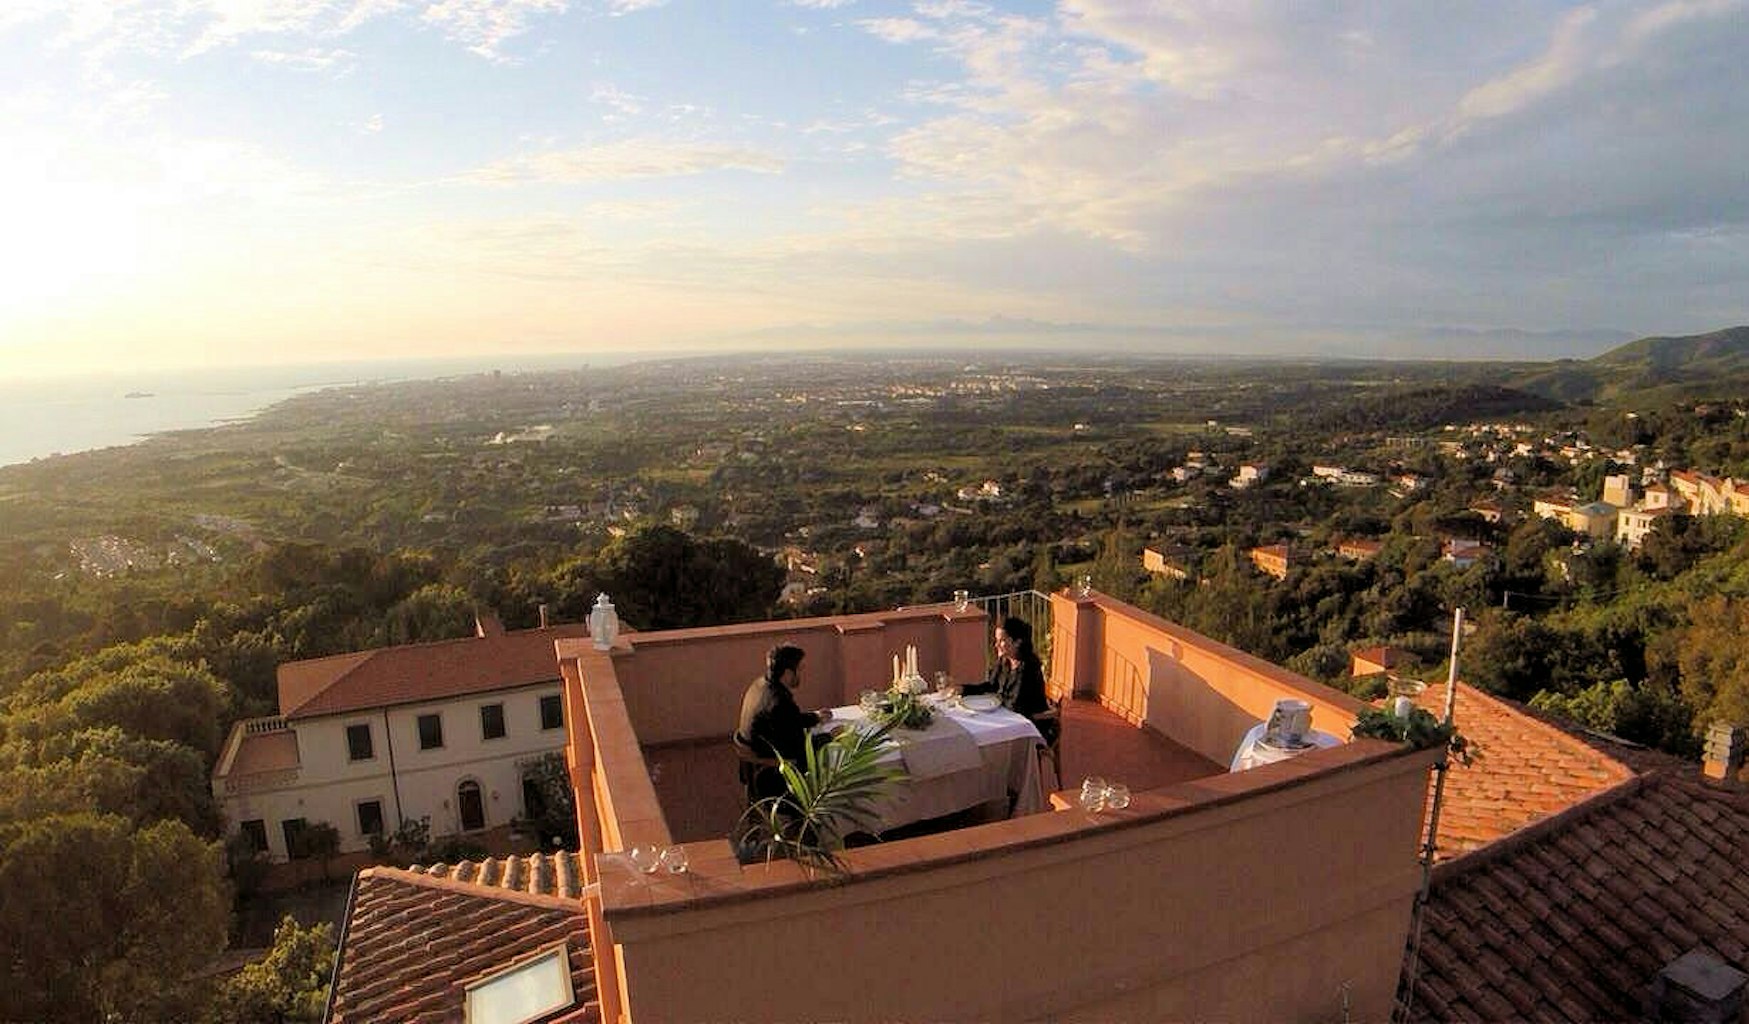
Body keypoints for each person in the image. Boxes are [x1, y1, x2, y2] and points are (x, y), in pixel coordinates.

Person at [736, 644, 834, 800]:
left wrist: (815, 717)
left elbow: (787, 721)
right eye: (800, 669)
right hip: (772, 771)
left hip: (753, 759)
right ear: (788, 672)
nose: (802, 674)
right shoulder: (779, 702)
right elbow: (798, 746)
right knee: (830, 747)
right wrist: (831, 736)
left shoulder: (760, 685)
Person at [963, 616, 1057, 745]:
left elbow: (1015, 705)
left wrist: (990, 703)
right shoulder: (1004, 660)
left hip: (1030, 725)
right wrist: (963, 689)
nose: (996, 645)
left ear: (1017, 642)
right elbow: (991, 686)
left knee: (984, 737)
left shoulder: (1028, 668)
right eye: (996, 640)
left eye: (1001, 641)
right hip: (1009, 718)